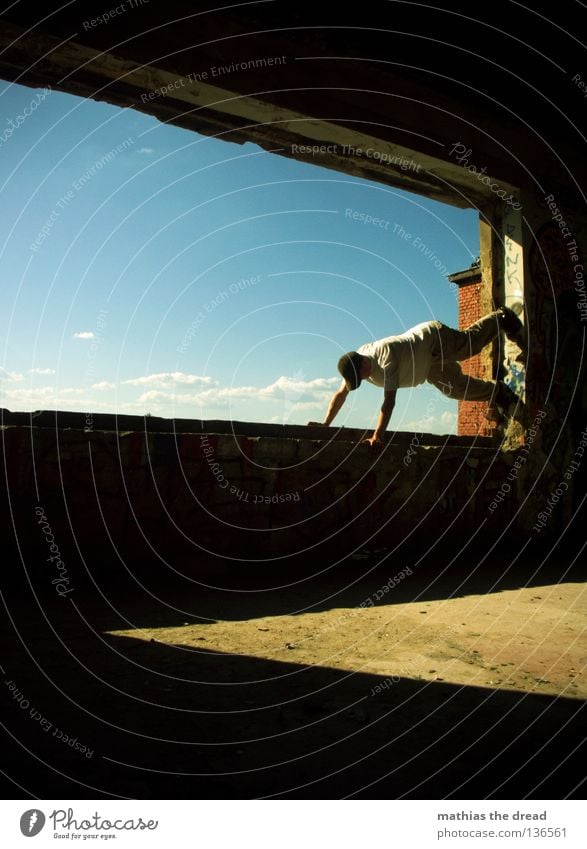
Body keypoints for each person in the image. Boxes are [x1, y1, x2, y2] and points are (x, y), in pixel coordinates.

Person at [312, 308, 526, 446]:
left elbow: (389, 402)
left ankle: (502, 318)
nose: (364, 380)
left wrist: (378, 436)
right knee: (455, 390)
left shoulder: (386, 356)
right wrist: (325, 424)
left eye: (362, 376)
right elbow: (340, 395)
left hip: (432, 339)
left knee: (469, 346)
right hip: (426, 366)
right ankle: (499, 392)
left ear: (365, 362)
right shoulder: (354, 364)